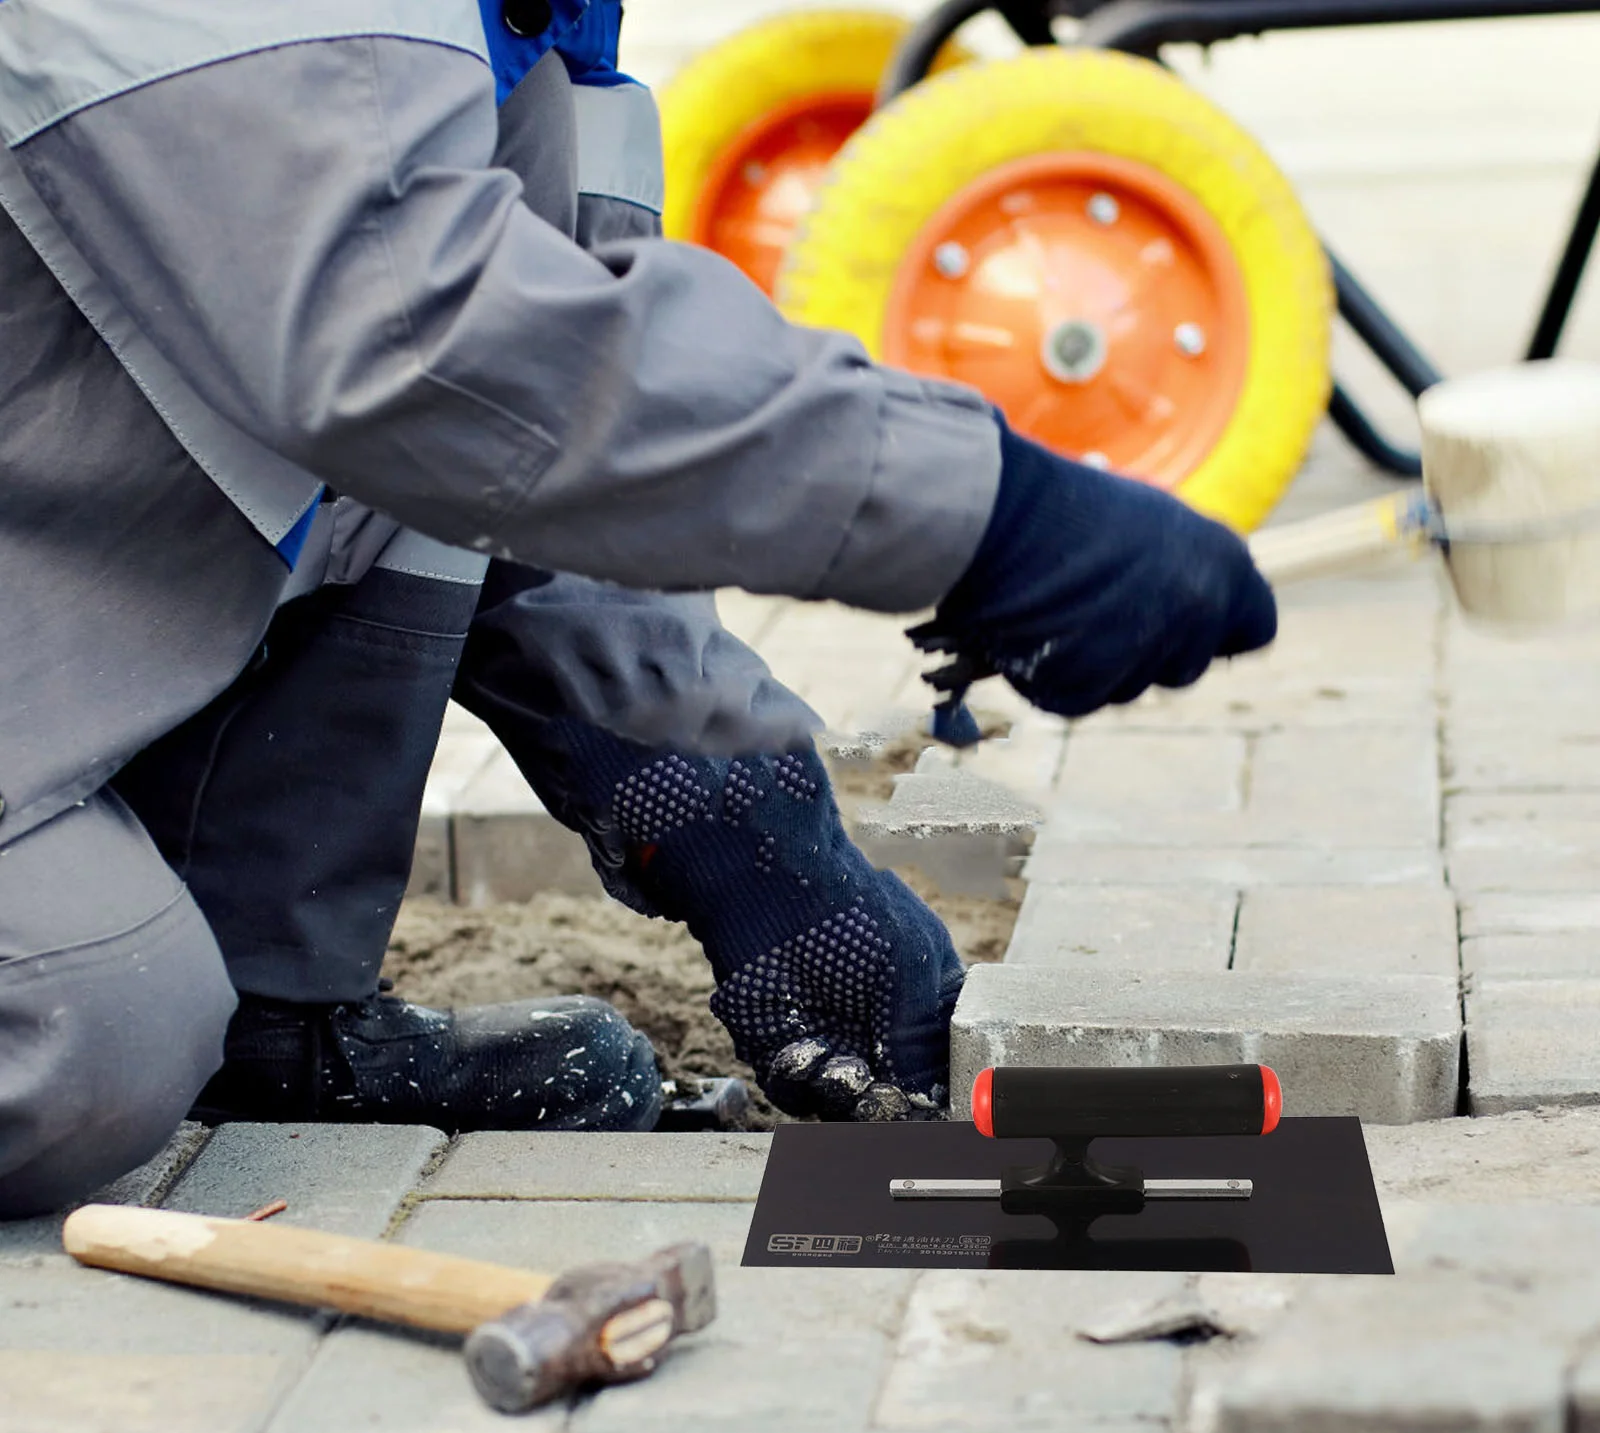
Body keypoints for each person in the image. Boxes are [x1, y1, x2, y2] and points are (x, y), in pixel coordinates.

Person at [0, 0, 1277, 1218]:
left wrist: (740, 819)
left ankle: (271, 1006)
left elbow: (525, 437)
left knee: (435, 472)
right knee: (84, 1022)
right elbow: (414, 339)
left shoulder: (525, 30)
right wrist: (990, 518)